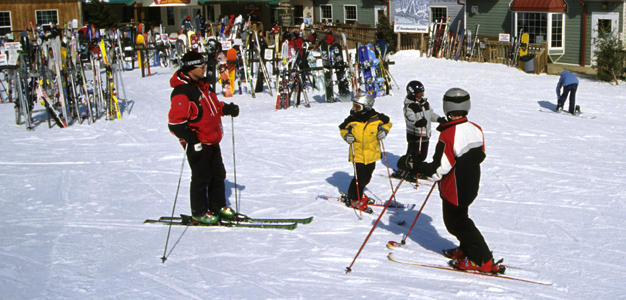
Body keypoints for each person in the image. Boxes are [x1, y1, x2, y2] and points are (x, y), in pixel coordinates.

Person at [414, 88, 502, 274]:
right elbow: (481, 154)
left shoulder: (448, 134)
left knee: (456, 223)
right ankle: (466, 250)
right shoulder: (476, 129)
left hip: (454, 188)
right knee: (461, 217)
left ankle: (482, 259)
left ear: (447, 107)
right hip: (470, 184)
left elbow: (440, 169)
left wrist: (418, 167)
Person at [168, 51, 240, 224]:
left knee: (218, 174)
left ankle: (217, 205)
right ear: (192, 68)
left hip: (212, 139)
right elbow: (175, 123)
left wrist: (226, 109)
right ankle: (199, 212)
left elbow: (213, 106)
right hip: (197, 142)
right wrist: (191, 138)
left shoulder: (202, 85)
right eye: (201, 66)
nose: (205, 69)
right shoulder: (182, 92)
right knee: (201, 178)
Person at [339, 94, 392, 213]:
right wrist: (347, 136)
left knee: (367, 177)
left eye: (357, 107)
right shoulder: (351, 119)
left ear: (366, 107)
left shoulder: (377, 117)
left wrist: (383, 131)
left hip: (372, 153)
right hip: (357, 153)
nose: (354, 109)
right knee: (360, 178)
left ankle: (357, 193)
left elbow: (387, 123)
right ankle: (354, 198)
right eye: (354, 106)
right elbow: (342, 129)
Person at [393, 81, 445, 181]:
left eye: (422, 94)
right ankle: (404, 168)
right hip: (414, 135)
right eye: (418, 95)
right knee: (413, 156)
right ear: (411, 94)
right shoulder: (410, 107)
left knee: (422, 156)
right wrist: (417, 122)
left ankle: (415, 169)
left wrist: (439, 119)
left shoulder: (425, 104)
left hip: (425, 135)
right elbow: (410, 118)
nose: (420, 97)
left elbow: (431, 115)